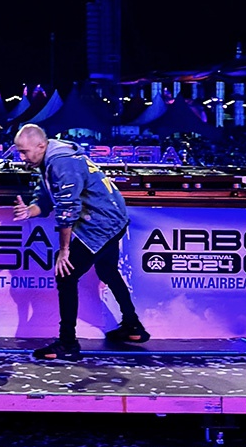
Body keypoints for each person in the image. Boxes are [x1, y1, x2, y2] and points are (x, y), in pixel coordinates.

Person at [12, 122, 149, 361]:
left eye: (24, 151)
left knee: (65, 274)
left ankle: (68, 343)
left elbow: (67, 209)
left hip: (101, 223)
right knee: (107, 270)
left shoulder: (61, 162)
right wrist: (29, 212)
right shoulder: (49, 158)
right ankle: (133, 325)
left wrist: (65, 250)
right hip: (111, 219)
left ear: (41, 145)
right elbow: (46, 199)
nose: (21, 157)